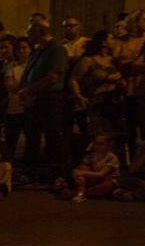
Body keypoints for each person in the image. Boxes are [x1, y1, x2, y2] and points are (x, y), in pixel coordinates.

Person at [19, 17, 69, 180]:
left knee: (52, 136)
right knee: (32, 137)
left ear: (39, 31)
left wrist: (29, 89)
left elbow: (53, 77)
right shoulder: (39, 50)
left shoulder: (56, 49)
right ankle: (32, 172)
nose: (27, 34)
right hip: (36, 99)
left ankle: (58, 174)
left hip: (50, 99)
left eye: (30, 31)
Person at [71, 133, 119, 202]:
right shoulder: (91, 156)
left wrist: (82, 173)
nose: (97, 146)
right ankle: (81, 193)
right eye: (96, 144)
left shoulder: (112, 158)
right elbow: (81, 167)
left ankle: (82, 193)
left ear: (109, 145)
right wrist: (78, 172)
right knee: (81, 174)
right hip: (93, 179)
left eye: (101, 144)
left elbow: (101, 174)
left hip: (105, 180)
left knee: (107, 186)